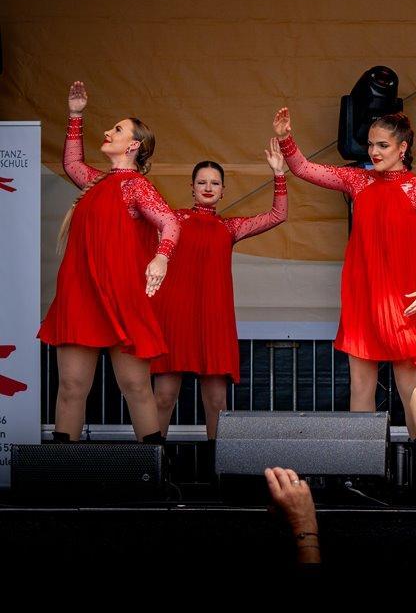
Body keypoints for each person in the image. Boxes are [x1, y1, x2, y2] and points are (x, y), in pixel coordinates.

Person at [275, 108, 416, 488]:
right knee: (360, 385)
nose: (374, 151)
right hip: (363, 296)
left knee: (408, 382)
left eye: (383, 145)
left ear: (402, 148)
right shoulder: (357, 181)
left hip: (403, 299)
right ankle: (361, 474)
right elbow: (304, 169)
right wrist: (285, 138)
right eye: (370, 145)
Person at [40, 81, 180, 444]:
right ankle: (61, 470)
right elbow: (72, 163)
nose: (108, 132)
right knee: (71, 387)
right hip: (79, 294)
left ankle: (153, 470)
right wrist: (75, 115)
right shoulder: (96, 181)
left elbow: (169, 221)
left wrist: (162, 257)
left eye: (117, 129)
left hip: (121, 295)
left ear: (133, 145)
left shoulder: (136, 186)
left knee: (136, 386)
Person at [152, 145, 288, 443]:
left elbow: (278, 215)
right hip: (175, 317)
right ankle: (153, 464)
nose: (208, 187)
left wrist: (279, 173)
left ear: (223, 190)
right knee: (163, 397)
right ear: (191, 187)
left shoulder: (230, 227)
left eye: (215, 183)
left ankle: (217, 469)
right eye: (202, 182)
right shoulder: (173, 220)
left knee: (217, 402)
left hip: (213, 321)